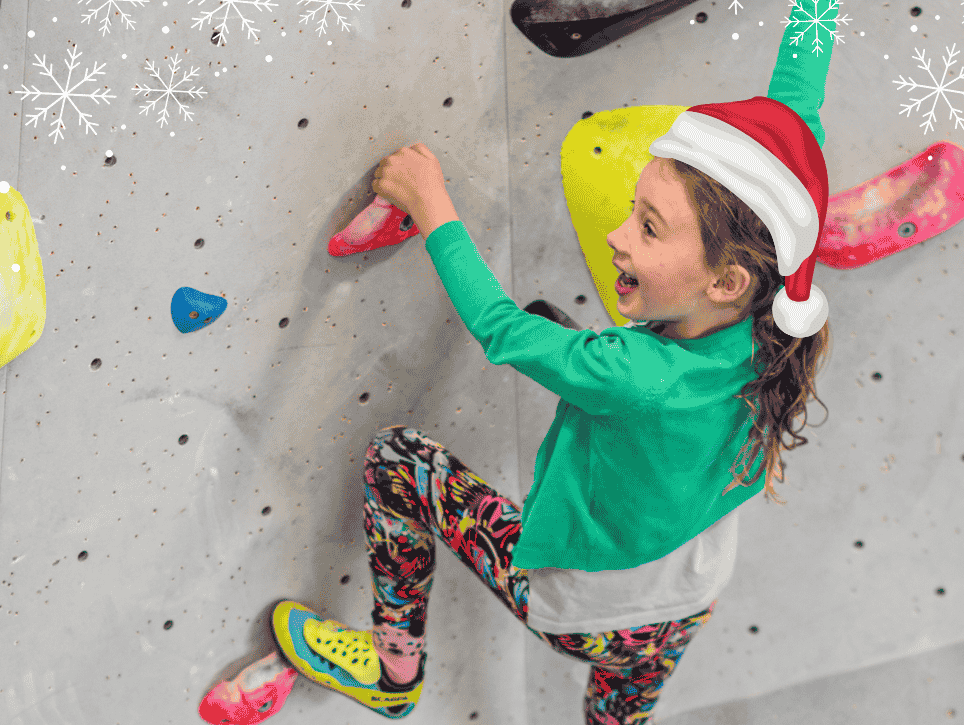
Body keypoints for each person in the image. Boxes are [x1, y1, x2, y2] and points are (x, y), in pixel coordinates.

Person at [272, 5, 840, 722]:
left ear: (725, 282)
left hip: (583, 609)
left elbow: (502, 330)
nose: (616, 233)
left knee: (397, 461)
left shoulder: (632, 371)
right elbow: (799, 95)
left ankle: (392, 670)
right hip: (685, 601)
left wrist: (433, 205)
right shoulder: (776, 301)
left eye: (649, 226)